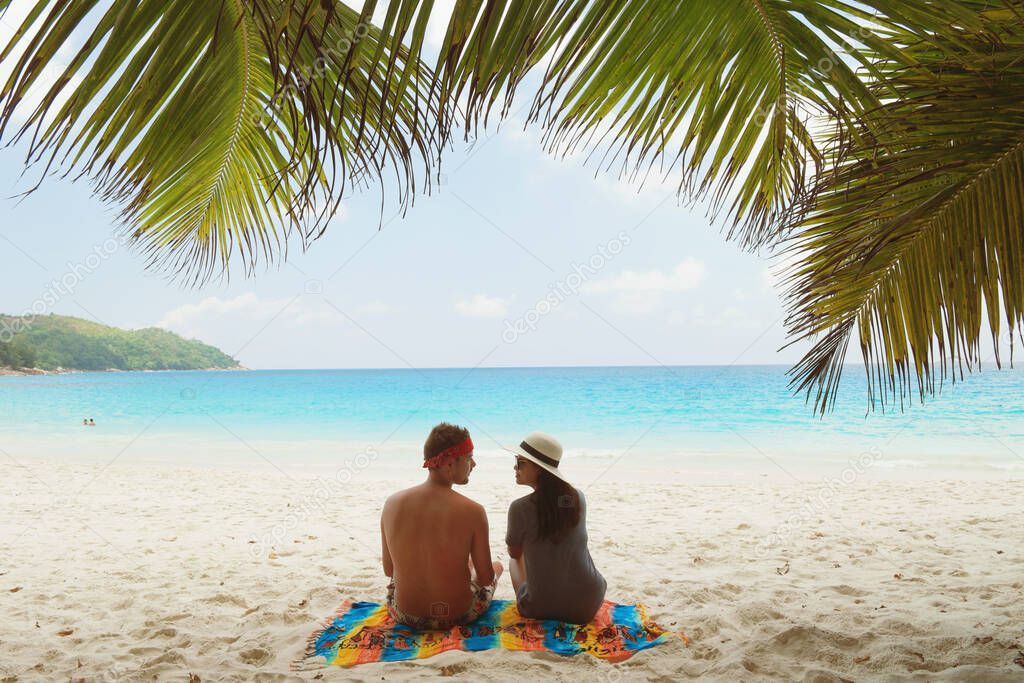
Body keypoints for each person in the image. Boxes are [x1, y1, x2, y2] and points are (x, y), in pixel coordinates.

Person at [380, 422, 503, 630]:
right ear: (448, 464)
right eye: (469, 457)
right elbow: (484, 578)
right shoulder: (473, 511)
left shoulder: (392, 503)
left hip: (405, 614)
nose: (474, 464)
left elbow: (389, 569)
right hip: (456, 616)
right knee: (496, 566)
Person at [506, 431, 606, 624]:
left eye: (521, 463)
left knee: (513, 561)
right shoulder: (578, 498)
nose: (514, 467)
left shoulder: (519, 508)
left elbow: (514, 553)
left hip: (539, 608)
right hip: (588, 604)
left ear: (540, 470)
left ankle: (543, 595)